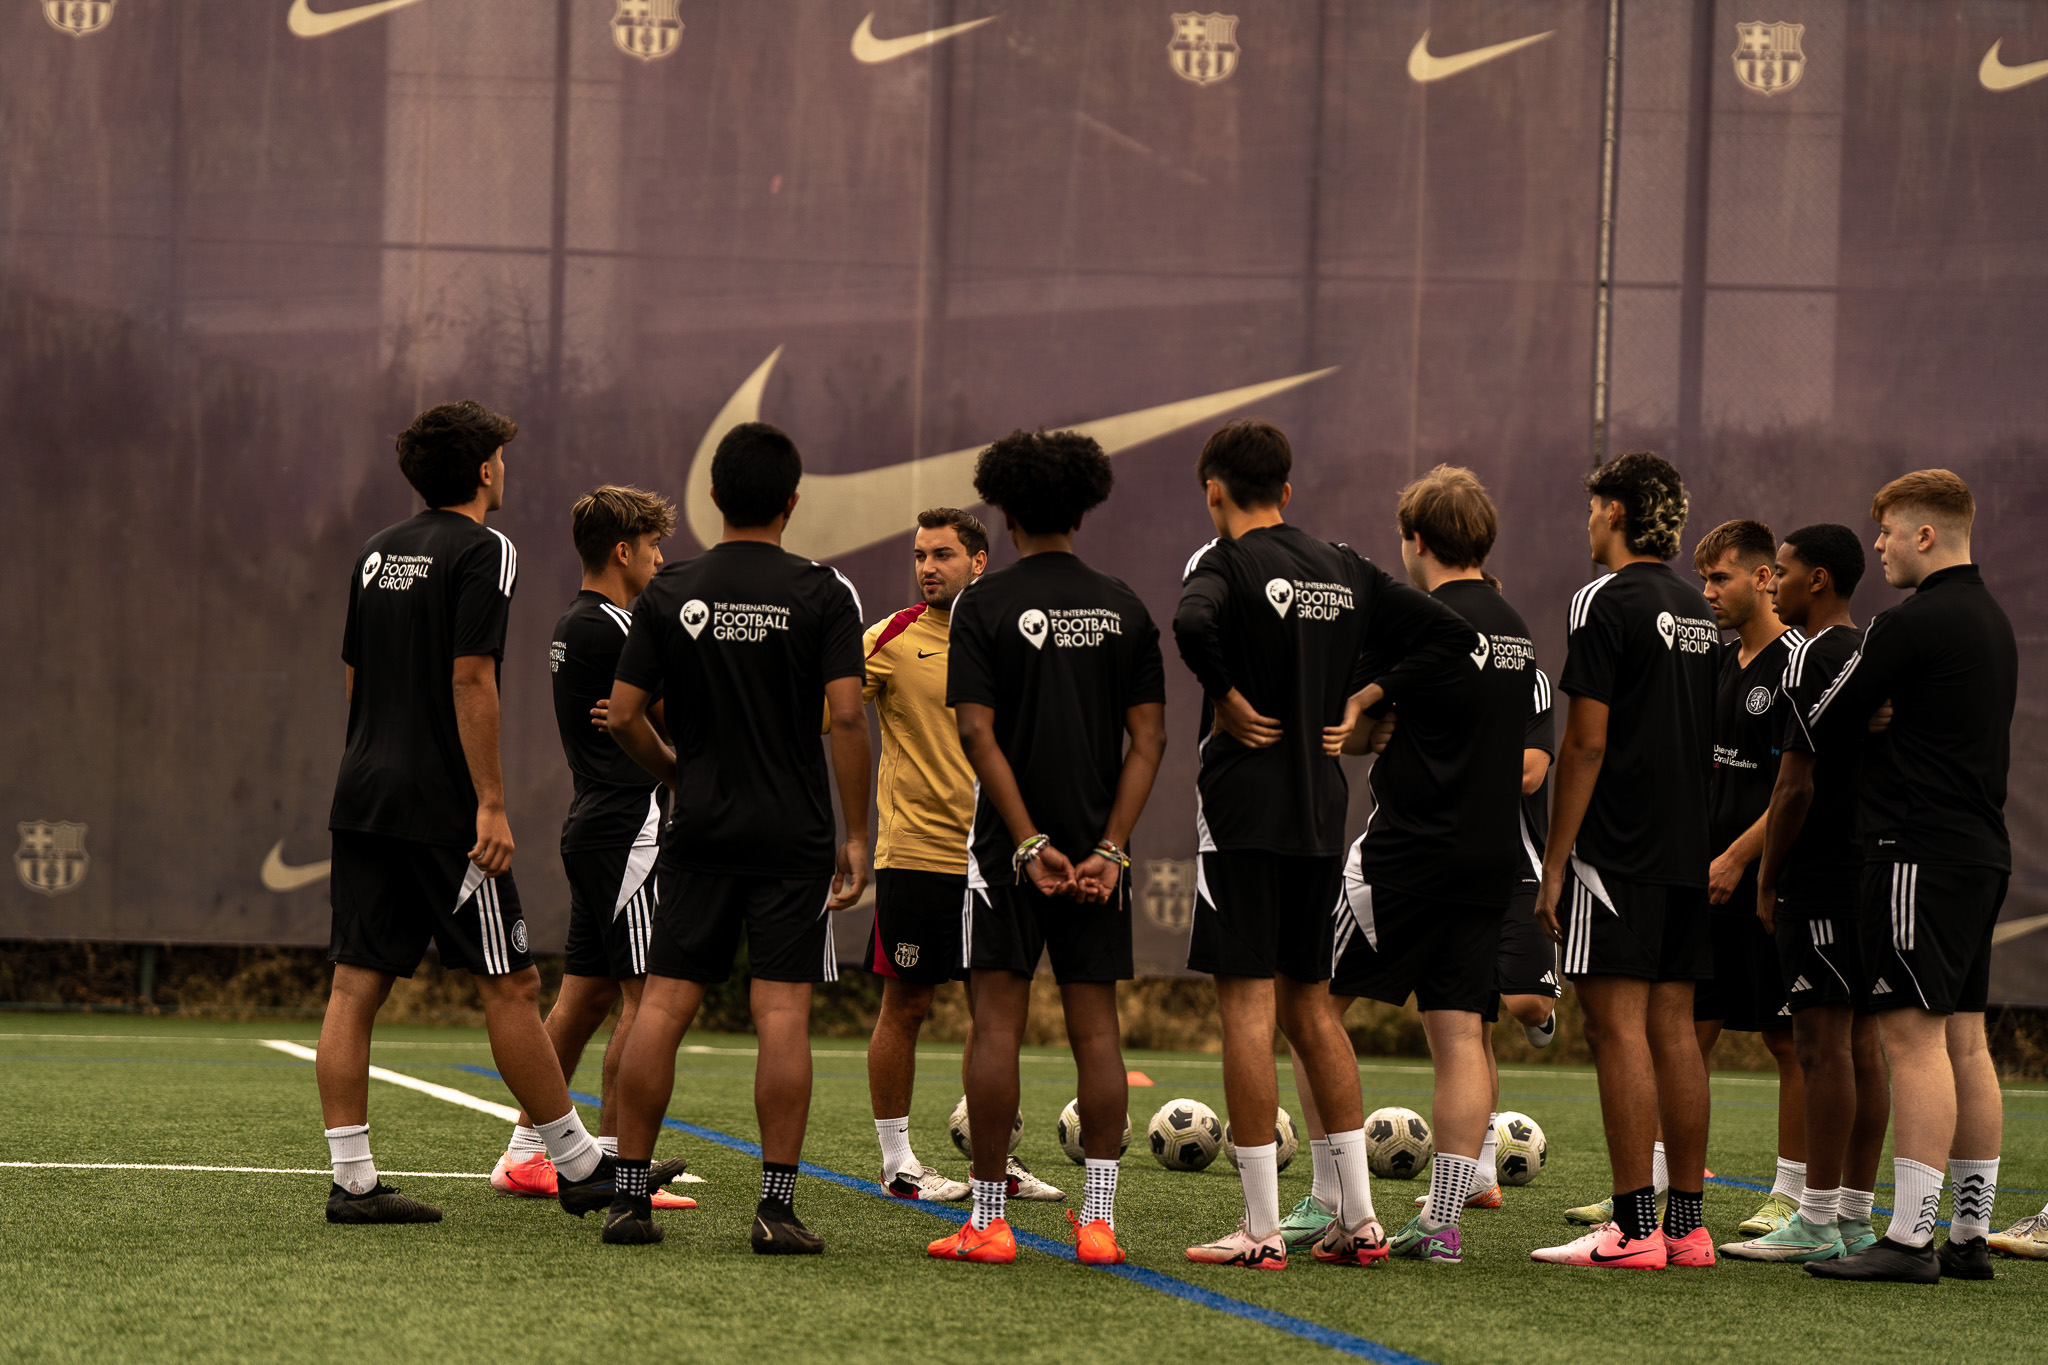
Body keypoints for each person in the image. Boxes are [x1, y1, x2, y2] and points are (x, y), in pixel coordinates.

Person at [320, 400, 629, 1224]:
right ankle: (578, 1164)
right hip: (439, 808)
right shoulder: (486, 547)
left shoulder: (376, 550)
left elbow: (356, 676)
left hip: (361, 792)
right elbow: (470, 676)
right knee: (514, 980)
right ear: (486, 468)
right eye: (502, 456)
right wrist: (490, 802)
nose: (506, 467)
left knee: (354, 985)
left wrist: (376, 757)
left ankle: (352, 1185)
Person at [1172, 432, 1474, 1270]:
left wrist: (1228, 699)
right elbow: (1448, 635)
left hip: (1240, 812)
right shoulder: (1344, 562)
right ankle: (1360, 1220)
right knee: (1310, 1005)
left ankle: (1262, 1228)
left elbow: (1189, 622)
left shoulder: (1223, 558)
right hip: (1317, 810)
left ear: (1213, 490)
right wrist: (1369, 695)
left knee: (1248, 1009)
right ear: (1289, 489)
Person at [599, 421, 873, 1252]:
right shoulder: (827, 592)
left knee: (666, 1002)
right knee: (782, 1009)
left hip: (703, 827)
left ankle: (630, 1200)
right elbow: (851, 718)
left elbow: (621, 714)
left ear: (713, 497)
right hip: (793, 830)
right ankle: (776, 1209)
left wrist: (677, 772)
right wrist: (857, 836)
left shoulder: (670, 587)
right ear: (794, 501)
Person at [1282, 465, 1542, 1267]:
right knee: (1461, 1031)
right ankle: (1443, 1221)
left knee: (1306, 1004)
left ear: (1416, 539)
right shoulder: (1515, 626)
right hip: (1491, 854)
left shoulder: (1411, 620)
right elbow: (1529, 757)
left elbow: (1347, 727)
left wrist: (1365, 728)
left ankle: (1332, 1199)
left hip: (1405, 851)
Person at [925, 429, 1167, 1268]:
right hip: (1100, 858)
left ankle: (988, 1222)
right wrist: (1111, 847)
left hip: (1007, 850)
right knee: (1096, 1032)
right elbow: (1150, 740)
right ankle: (1096, 1224)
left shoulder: (981, 605)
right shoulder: (1127, 604)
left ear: (1004, 505)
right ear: (1084, 503)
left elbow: (975, 732)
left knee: (996, 1023)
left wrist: (1026, 841)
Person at [1804, 470, 2016, 1284]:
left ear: (1926, 535)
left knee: (1911, 1036)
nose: (1880, 544)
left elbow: (1824, 717)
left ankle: (1908, 1240)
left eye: (1888, 530)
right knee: (1966, 1038)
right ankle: (1966, 1236)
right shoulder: (1992, 620)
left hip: (1914, 851)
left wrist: (1872, 709)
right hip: (1979, 851)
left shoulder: (1912, 621)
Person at [1530, 451, 1720, 1271]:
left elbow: (1586, 739)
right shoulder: (1698, 606)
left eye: (1592, 508)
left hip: (1617, 850)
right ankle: (1687, 1225)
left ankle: (1633, 1227)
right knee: (1676, 1026)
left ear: (1612, 512)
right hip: (1687, 845)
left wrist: (1555, 859)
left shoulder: (1602, 597)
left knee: (1618, 1030)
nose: (1586, 523)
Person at [490, 486, 692, 1210]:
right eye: (655, 545)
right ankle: (613, 1170)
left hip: (592, 824)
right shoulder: (615, 626)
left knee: (583, 999)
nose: (662, 558)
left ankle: (523, 1155)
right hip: (627, 828)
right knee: (646, 1000)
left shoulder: (575, 621)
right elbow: (677, 714)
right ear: (623, 551)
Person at [861, 508, 1058, 1204]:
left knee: (994, 1012)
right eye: (919, 554)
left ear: (979, 560)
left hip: (998, 859)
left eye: (942, 554)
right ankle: (897, 1163)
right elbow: (828, 711)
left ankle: (992, 1163)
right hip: (915, 854)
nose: (926, 567)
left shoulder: (1012, 634)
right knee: (906, 1004)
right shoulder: (888, 636)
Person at [1721, 523, 1889, 1262]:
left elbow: (1794, 785)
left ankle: (1817, 1218)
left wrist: (1765, 876)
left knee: (1821, 1044)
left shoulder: (1810, 657)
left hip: (1820, 873)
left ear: (1816, 580)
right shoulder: (1869, 655)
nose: (1773, 582)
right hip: (1873, 865)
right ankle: (1852, 1214)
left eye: (1781, 571)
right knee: (1862, 1042)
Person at [1692, 519, 1806, 1237]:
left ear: (1765, 577)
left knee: (1787, 1040)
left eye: (1721, 578)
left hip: (1770, 881)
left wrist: (1740, 858)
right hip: (1706, 879)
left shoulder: (1798, 661)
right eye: (1704, 579)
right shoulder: (1715, 658)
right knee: (1685, 1027)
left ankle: (1791, 1194)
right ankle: (1663, 1185)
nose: (1708, 592)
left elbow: (1800, 786)